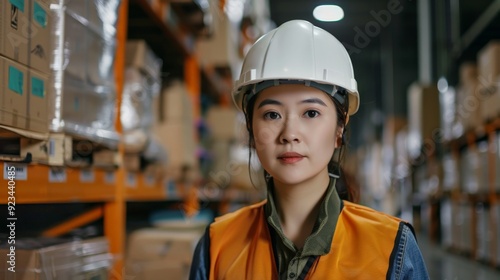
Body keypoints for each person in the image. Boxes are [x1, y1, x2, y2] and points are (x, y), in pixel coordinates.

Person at [189, 20, 429, 280]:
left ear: (340, 128)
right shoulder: (217, 246)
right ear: (250, 127)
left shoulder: (392, 247)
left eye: (311, 113)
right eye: (271, 114)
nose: (290, 134)